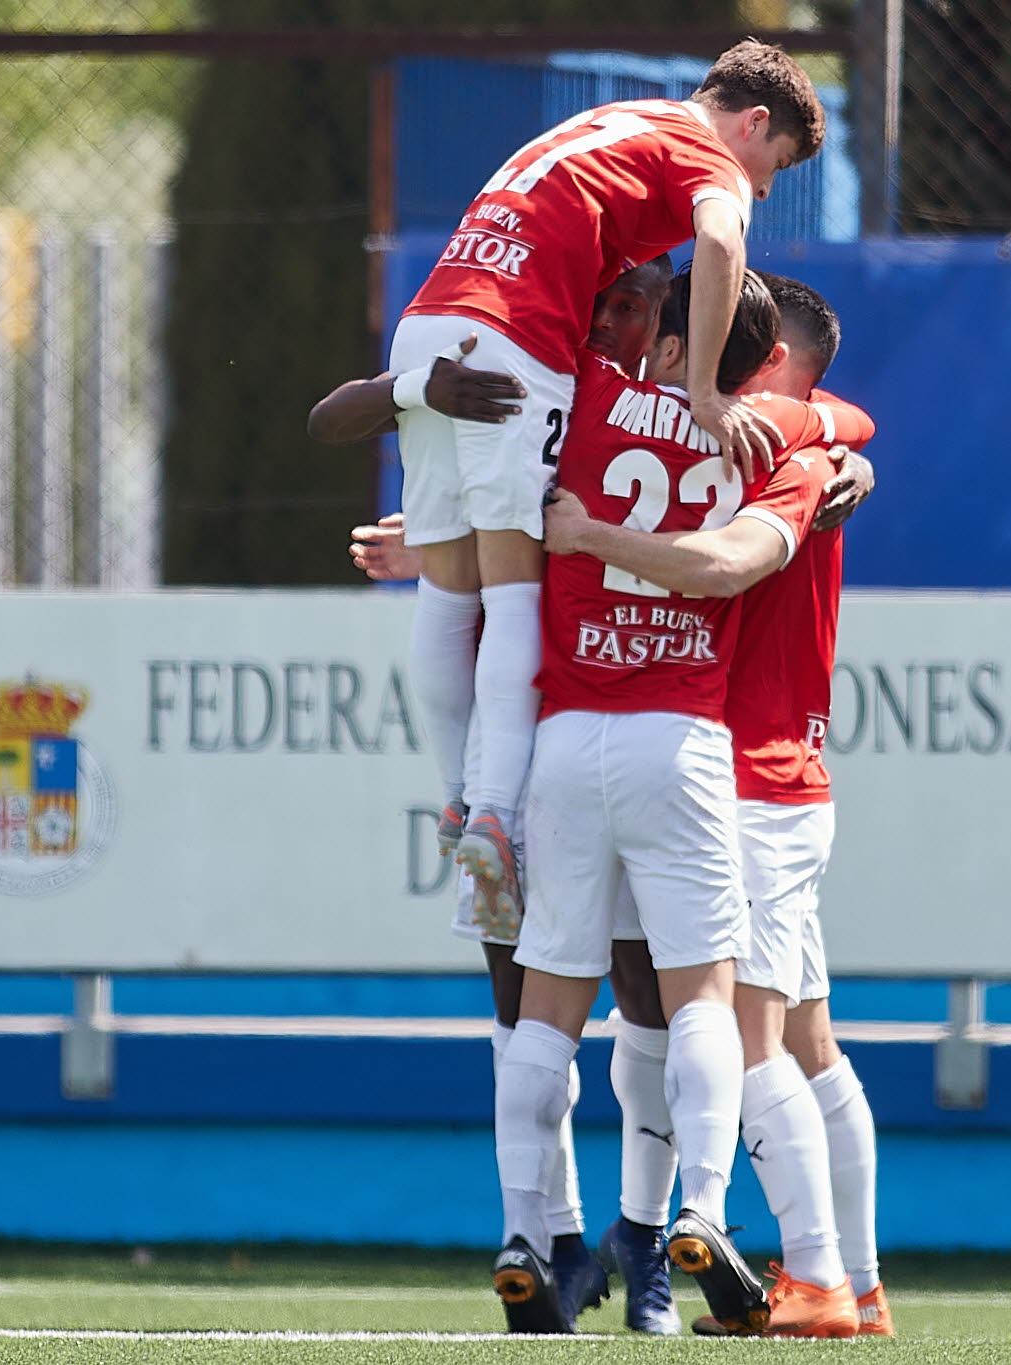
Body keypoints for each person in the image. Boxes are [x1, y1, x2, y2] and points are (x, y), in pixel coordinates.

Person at [489, 269, 871, 1336]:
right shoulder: (785, 441)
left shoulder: (588, 400)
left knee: (546, 1005)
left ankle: (525, 1231)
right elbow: (825, 434)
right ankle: (699, 1210)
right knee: (703, 999)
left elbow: (501, 378)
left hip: (563, 737)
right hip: (683, 742)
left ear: (670, 335)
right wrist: (830, 448)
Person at [387, 41, 827, 938]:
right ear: (752, 125)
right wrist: (704, 391)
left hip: (431, 325)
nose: (765, 186)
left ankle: (454, 797)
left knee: (445, 586)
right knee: (512, 590)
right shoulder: (710, 155)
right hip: (516, 340)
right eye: (773, 165)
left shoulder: (612, 121)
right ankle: (495, 819)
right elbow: (719, 238)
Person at [313, 261, 676, 1329]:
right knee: (532, 993)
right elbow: (335, 413)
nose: (608, 317)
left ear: (662, 316)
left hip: (597, 719)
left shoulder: (654, 412)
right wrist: (417, 399)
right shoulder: (530, 381)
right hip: (513, 732)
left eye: (630, 302)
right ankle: (552, 1240)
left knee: (636, 992)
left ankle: (627, 1245)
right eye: (597, 297)